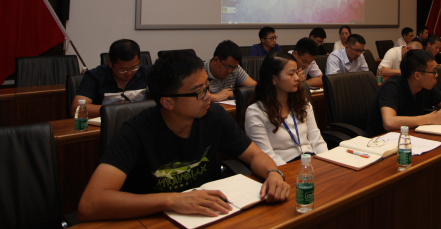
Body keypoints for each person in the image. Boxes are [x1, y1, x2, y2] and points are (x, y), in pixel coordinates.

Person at [77, 51, 289, 222]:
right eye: (199, 92)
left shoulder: (214, 116)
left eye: (207, 86)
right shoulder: (135, 132)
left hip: (207, 216)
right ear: (168, 102)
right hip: (153, 220)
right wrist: (172, 200)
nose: (208, 96)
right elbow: (90, 204)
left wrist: (273, 173)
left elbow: (254, 155)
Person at [245, 52, 328, 166]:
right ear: (274, 79)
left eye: (296, 72)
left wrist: (327, 163)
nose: (297, 78)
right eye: (291, 74)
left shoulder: (302, 103)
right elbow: (266, 156)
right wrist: (290, 172)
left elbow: (317, 141)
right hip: (282, 166)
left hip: (310, 161)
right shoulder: (256, 112)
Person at [365, 50, 441, 137]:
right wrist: (429, 118)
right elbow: (389, 122)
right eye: (433, 71)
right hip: (381, 140)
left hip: (408, 136)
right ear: (417, 75)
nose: (436, 75)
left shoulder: (425, 87)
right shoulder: (392, 86)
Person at [72, 39, 148, 117]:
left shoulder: (147, 73)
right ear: (110, 63)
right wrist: (117, 109)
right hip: (105, 123)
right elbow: (77, 109)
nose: (129, 73)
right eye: (122, 69)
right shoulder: (95, 76)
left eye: (134, 67)